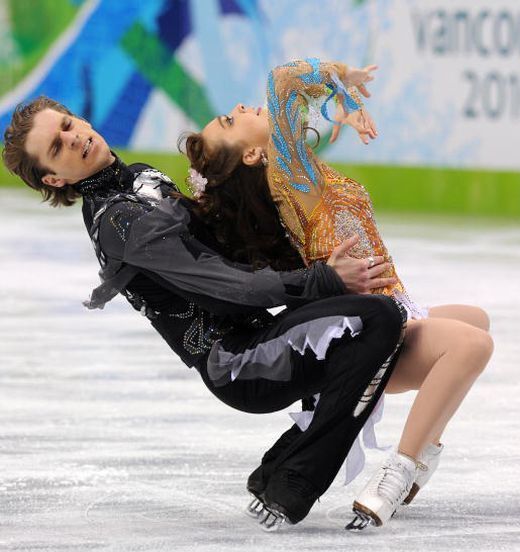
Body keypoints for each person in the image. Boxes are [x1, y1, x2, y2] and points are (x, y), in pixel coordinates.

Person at [2, 96, 409, 531]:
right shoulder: (118, 220)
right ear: (54, 177)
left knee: (374, 322)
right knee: (377, 318)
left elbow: (223, 241)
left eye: (67, 124)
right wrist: (322, 280)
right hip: (238, 363)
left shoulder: (139, 177)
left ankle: (276, 471)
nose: (73, 137)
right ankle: (294, 481)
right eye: (57, 146)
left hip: (259, 337)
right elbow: (225, 285)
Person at [182, 57, 495, 530]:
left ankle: (424, 450)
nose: (242, 106)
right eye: (231, 119)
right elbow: (283, 80)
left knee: (475, 319)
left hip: (398, 307)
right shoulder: (288, 177)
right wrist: (339, 79)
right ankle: (400, 468)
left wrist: (336, 115)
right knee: (472, 344)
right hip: (380, 329)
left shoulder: (298, 170)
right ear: (252, 156)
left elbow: (303, 122)